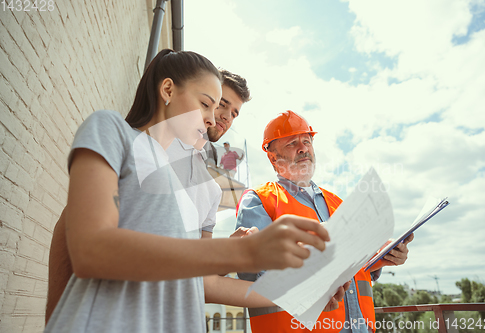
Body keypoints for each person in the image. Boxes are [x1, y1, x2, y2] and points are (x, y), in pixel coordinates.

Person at [44, 51, 335, 333]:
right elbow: (89, 249)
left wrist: (301, 292)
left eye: (228, 111)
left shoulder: (200, 190)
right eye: (209, 104)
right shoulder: (113, 131)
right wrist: (241, 252)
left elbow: (202, 282)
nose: (214, 119)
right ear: (168, 90)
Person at [45, 68, 251, 323]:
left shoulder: (211, 190)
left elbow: (198, 275)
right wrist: (56, 318)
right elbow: (74, 228)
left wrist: (235, 252)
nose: (224, 116)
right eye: (220, 104)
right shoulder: (142, 143)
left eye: (234, 113)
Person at [235, 110, 414, 333]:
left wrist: (381, 256)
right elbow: (255, 270)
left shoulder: (337, 202)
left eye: (307, 141)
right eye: (292, 143)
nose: (303, 148)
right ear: (273, 158)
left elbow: (352, 266)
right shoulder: (259, 200)